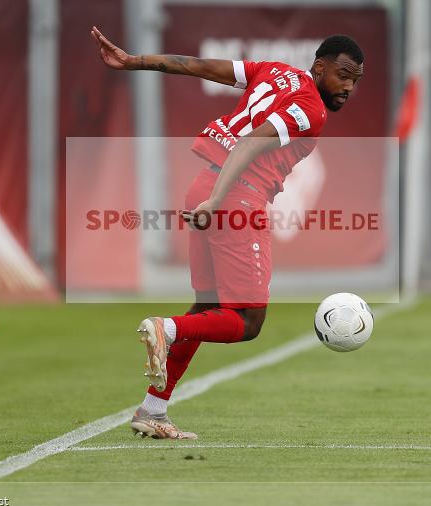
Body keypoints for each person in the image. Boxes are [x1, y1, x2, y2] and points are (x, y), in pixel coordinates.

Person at [91, 25, 363, 439]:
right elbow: (251, 141)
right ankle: (166, 329)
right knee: (248, 321)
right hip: (234, 198)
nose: (347, 88)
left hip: (205, 185)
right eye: (342, 75)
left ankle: (153, 409)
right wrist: (218, 201)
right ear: (320, 67)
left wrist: (134, 61)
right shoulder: (311, 109)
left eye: (355, 81)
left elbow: (199, 66)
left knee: (207, 307)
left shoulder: (273, 71)